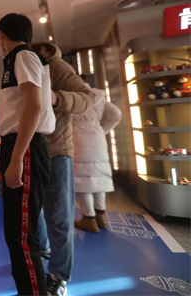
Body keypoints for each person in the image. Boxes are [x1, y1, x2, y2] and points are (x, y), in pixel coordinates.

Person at [0, 14, 55, 296]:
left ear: (1, 35)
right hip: (20, 146)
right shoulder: (16, 60)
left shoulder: (23, 56)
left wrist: (17, 157)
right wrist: (9, 155)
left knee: (22, 238)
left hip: (26, 148)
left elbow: (34, 106)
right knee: (16, 234)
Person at [31, 41, 97, 296]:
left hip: (57, 151)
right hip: (31, 151)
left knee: (58, 216)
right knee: (36, 211)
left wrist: (57, 97)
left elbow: (88, 97)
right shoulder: (19, 67)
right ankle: (44, 251)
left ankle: (59, 276)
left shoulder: (55, 66)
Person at [73, 81, 122, 232]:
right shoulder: (97, 96)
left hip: (76, 137)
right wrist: (102, 129)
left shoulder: (72, 95)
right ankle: (100, 215)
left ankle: (88, 218)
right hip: (97, 137)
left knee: (82, 178)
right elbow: (116, 114)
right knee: (99, 176)